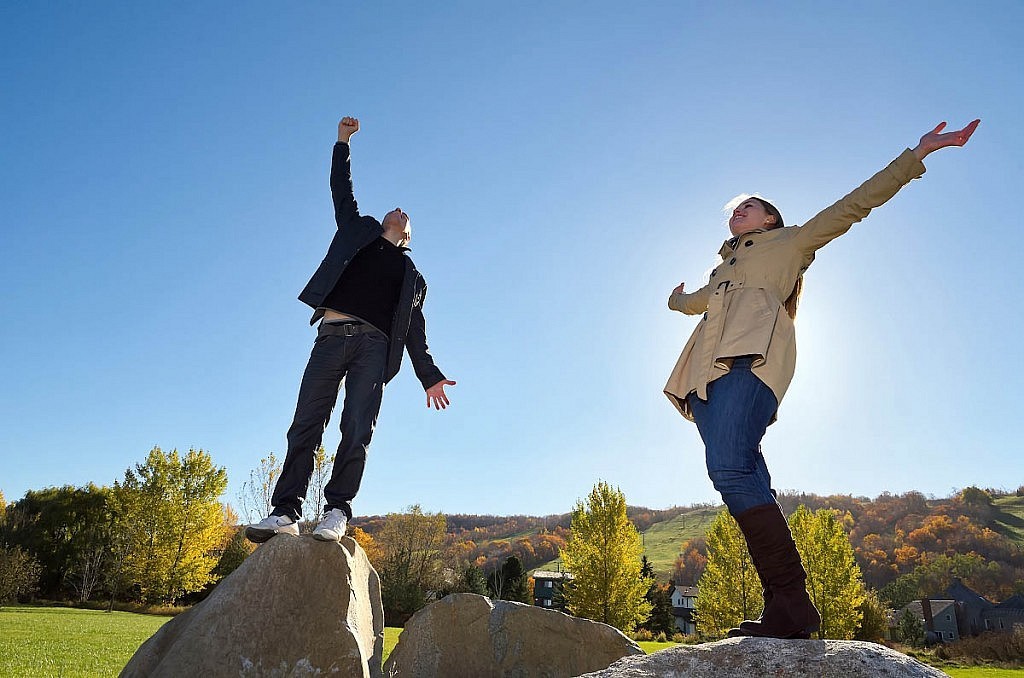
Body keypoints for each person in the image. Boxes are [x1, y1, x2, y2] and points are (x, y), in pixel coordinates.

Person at [663, 119, 980, 639]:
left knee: (729, 469)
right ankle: (786, 607)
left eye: (751, 205)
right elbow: (693, 303)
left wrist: (919, 153)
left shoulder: (790, 243)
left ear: (771, 219)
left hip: (750, 364)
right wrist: (674, 298)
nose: (739, 210)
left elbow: (854, 205)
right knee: (742, 473)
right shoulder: (722, 271)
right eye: (735, 208)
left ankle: (790, 601)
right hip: (706, 381)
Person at [247, 116, 456, 544]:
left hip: (373, 350)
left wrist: (430, 376)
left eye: (405, 214)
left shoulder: (412, 276)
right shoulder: (357, 231)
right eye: (395, 209)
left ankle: (337, 510)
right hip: (329, 338)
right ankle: (286, 511)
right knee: (305, 422)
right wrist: (343, 143)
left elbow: (414, 331)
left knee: (357, 427)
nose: (399, 209)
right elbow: (341, 190)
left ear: (408, 234)